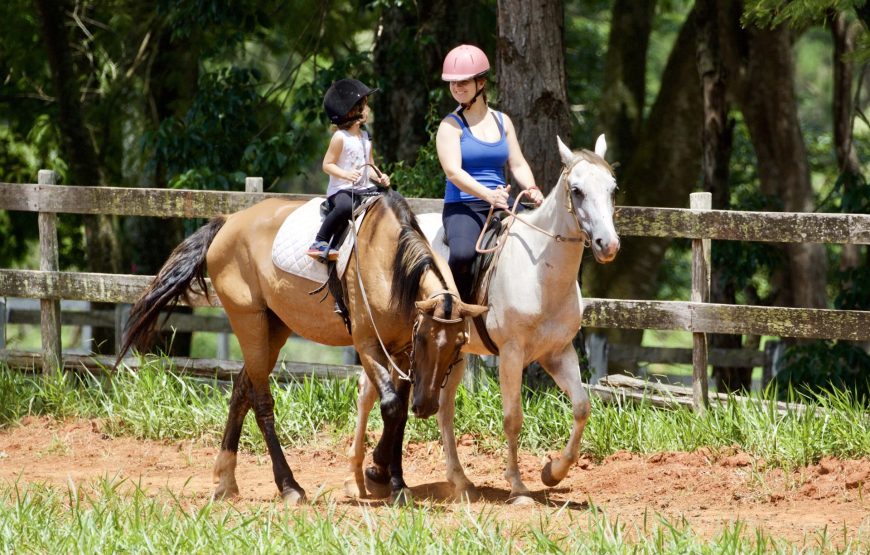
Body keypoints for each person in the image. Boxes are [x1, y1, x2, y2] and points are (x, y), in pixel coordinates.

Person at [435, 44, 544, 301]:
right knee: (462, 255)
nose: (457, 88)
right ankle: (451, 312)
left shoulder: (502, 121)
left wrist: (532, 188)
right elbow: (453, 172)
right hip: (464, 206)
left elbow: (517, 164)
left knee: (538, 240)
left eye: (463, 82)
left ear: (481, 82)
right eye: (453, 83)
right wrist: (488, 195)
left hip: (500, 204)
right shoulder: (450, 125)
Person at [307, 78, 390, 262]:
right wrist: (345, 174)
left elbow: (370, 163)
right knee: (345, 206)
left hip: (363, 188)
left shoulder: (366, 136)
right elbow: (327, 165)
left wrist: (380, 176)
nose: (368, 110)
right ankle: (320, 241)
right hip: (342, 190)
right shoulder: (340, 138)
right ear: (353, 111)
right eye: (365, 106)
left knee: (390, 197)